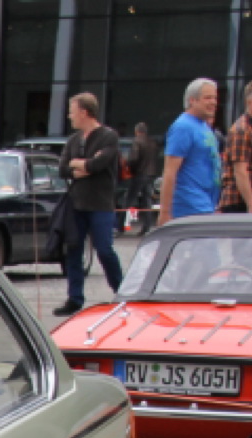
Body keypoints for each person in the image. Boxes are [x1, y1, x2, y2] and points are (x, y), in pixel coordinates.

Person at [56, 93, 124, 317]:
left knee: (104, 249)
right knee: (73, 249)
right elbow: (63, 169)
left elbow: (99, 164)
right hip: (76, 204)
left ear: (84, 112)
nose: (69, 116)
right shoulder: (73, 140)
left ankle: (122, 291)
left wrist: (80, 165)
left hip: (100, 204)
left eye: (72, 111)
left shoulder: (108, 137)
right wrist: (83, 166)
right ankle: (74, 298)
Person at [158, 78, 221, 226]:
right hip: (189, 207)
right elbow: (169, 171)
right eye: (208, 98)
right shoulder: (183, 127)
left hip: (206, 204)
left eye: (215, 98)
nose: (214, 102)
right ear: (192, 100)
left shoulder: (203, 126)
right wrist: (165, 213)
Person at [218, 79, 252, 213]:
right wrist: (251, 204)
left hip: (249, 202)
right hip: (239, 204)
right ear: (249, 102)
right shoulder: (242, 130)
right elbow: (240, 171)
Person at [124, 122, 159, 232]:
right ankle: (146, 226)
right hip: (151, 174)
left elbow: (133, 159)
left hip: (139, 174)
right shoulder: (152, 142)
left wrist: (128, 166)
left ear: (136, 131)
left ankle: (121, 225)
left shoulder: (137, 141)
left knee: (129, 200)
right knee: (147, 201)